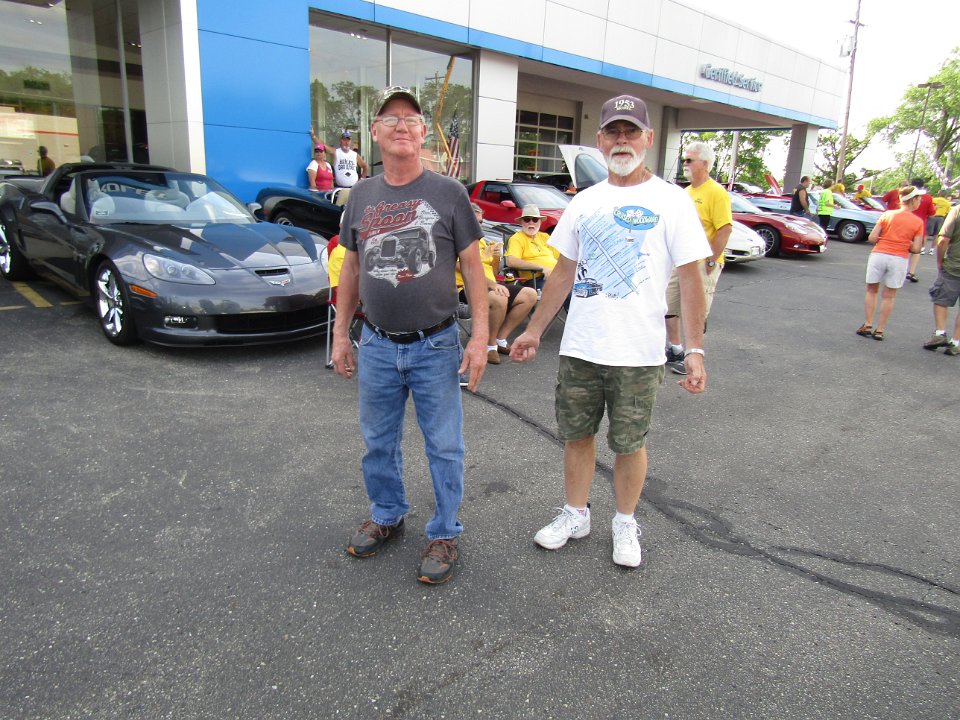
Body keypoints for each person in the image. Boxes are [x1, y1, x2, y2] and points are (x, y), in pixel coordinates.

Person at [510, 94, 710, 568]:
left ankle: (624, 521)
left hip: (639, 353)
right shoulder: (585, 201)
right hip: (581, 347)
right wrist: (534, 330)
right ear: (600, 140)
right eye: (613, 132)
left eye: (631, 132)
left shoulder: (672, 201)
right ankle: (575, 514)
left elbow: (691, 278)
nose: (623, 141)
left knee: (629, 443)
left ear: (648, 138)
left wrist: (695, 349)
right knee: (577, 436)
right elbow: (563, 272)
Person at [331, 85, 489, 585]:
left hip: (436, 344)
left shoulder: (449, 193)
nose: (401, 126)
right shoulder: (361, 195)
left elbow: (473, 268)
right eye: (390, 118)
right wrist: (341, 335)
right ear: (374, 132)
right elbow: (351, 268)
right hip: (376, 343)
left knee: (444, 446)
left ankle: (444, 532)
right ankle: (387, 514)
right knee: (378, 441)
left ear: (423, 133)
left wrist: (479, 338)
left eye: (411, 119)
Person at [664, 140, 732, 375]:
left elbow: (725, 229)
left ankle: (693, 356)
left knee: (696, 311)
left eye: (689, 160)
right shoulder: (685, 193)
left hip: (704, 263)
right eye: (684, 160)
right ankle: (675, 349)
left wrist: (712, 260)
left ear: (704, 163)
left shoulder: (717, 192)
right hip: (681, 261)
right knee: (668, 306)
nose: (685, 164)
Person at [457, 203, 538, 364]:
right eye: (476, 222)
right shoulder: (458, 242)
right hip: (466, 288)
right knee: (499, 297)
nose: (480, 226)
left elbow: (493, 273)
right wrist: (493, 285)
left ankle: (500, 339)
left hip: (490, 285)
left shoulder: (481, 241)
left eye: (481, 222)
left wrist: (495, 258)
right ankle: (489, 346)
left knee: (530, 295)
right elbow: (468, 271)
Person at [855, 185, 925, 341]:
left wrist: (885, 239)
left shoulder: (887, 214)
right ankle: (880, 330)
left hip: (879, 254)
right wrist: (906, 242)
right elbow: (916, 248)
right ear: (913, 200)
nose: (920, 201)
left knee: (871, 290)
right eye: (919, 199)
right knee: (889, 296)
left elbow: (872, 237)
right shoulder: (918, 222)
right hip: (899, 258)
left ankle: (868, 324)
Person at [923, 202, 960, 355]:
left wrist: (940, 261)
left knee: (940, 299)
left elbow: (943, 239)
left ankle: (940, 333)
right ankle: (956, 343)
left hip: (954, 266)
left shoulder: (957, 210)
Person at [504, 204, 560, 289]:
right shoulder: (517, 238)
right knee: (565, 291)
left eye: (535, 220)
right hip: (536, 280)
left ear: (540, 222)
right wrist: (542, 268)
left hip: (556, 276)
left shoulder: (545, 237)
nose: (531, 223)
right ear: (521, 222)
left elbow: (559, 258)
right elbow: (511, 261)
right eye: (527, 220)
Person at [906, 178, 936, 282]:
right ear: (922, 185)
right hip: (919, 226)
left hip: (905, 223)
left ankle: (899, 269)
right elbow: (932, 213)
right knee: (916, 251)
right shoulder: (928, 197)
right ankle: (911, 272)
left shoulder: (907, 194)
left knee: (902, 246)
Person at [925, 190, 951, 255]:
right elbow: (947, 213)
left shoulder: (933, 200)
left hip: (932, 217)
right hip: (940, 218)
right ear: (945, 195)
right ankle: (931, 250)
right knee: (936, 235)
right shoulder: (947, 203)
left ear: (938, 194)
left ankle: (923, 248)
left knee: (926, 233)